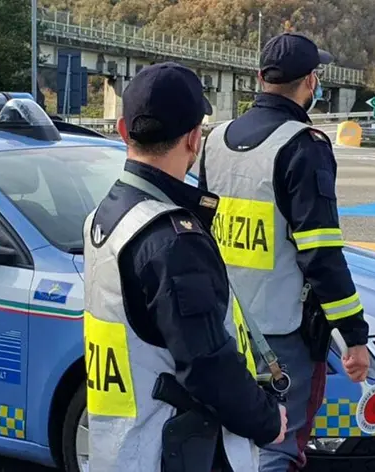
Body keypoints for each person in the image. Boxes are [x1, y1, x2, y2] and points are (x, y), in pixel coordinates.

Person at [82, 61, 287, 472]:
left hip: (121, 445)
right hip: (178, 449)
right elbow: (206, 365)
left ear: (124, 132)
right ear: (194, 139)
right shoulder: (172, 240)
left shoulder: (106, 218)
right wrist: (268, 421)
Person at [197, 33, 371, 472]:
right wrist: (354, 336)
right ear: (311, 82)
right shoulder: (303, 146)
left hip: (221, 327)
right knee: (279, 446)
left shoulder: (214, 140)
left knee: (229, 444)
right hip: (281, 335)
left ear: (260, 78)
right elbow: (321, 256)